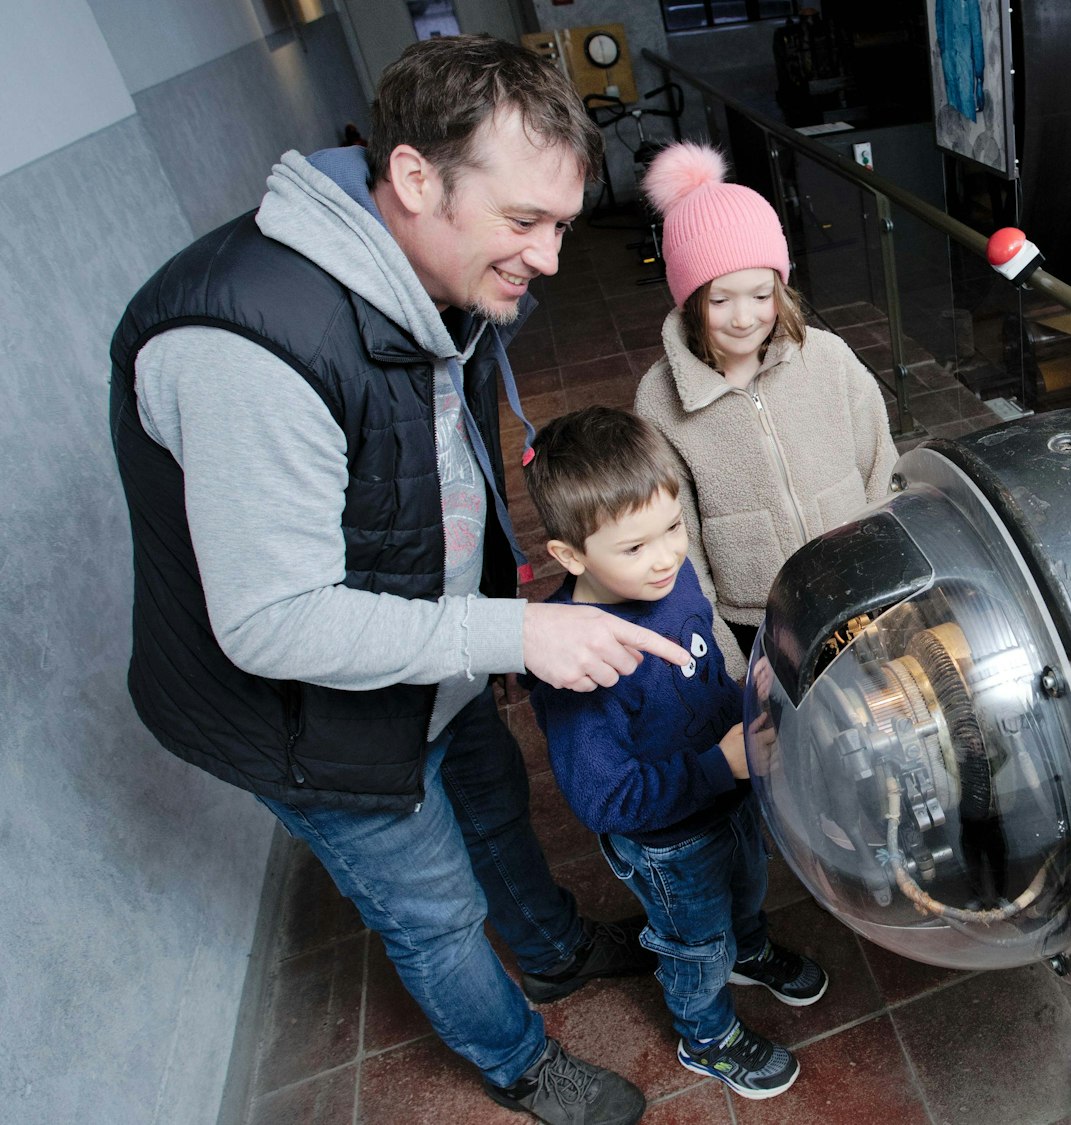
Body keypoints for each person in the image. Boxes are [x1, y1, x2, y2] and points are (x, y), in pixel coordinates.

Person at [108, 36, 685, 1125]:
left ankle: (554, 950)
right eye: (525, 223)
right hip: (302, 709)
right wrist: (509, 635)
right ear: (415, 178)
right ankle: (519, 1060)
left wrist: (487, 617)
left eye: (562, 223)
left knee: (490, 797)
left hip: (429, 638)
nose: (552, 259)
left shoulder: (428, 271)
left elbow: (428, 465)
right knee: (432, 907)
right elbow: (272, 625)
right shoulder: (248, 344)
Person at [521, 406, 828, 1101]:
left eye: (672, 527)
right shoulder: (574, 664)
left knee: (748, 882)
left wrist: (741, 717)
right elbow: (603, 799)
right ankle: (705, 1032)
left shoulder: (669, 576)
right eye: (634, 546)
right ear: (571, 556)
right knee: (695, 940)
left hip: (728, 789)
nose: (664, 556)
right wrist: (719, 763)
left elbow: (698, 662)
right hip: (668, 841)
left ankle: (749, 948)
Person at [632, 142, 897, 675]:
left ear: (780, 285)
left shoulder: (827, 358)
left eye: (760, 294)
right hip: (757, 621)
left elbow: (882, 469)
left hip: (860, 590)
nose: (744, 317)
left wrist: (885, 577)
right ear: (689, 301)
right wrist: (727, 662)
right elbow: (677, 543)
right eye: (720, 299)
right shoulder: (658, 400)